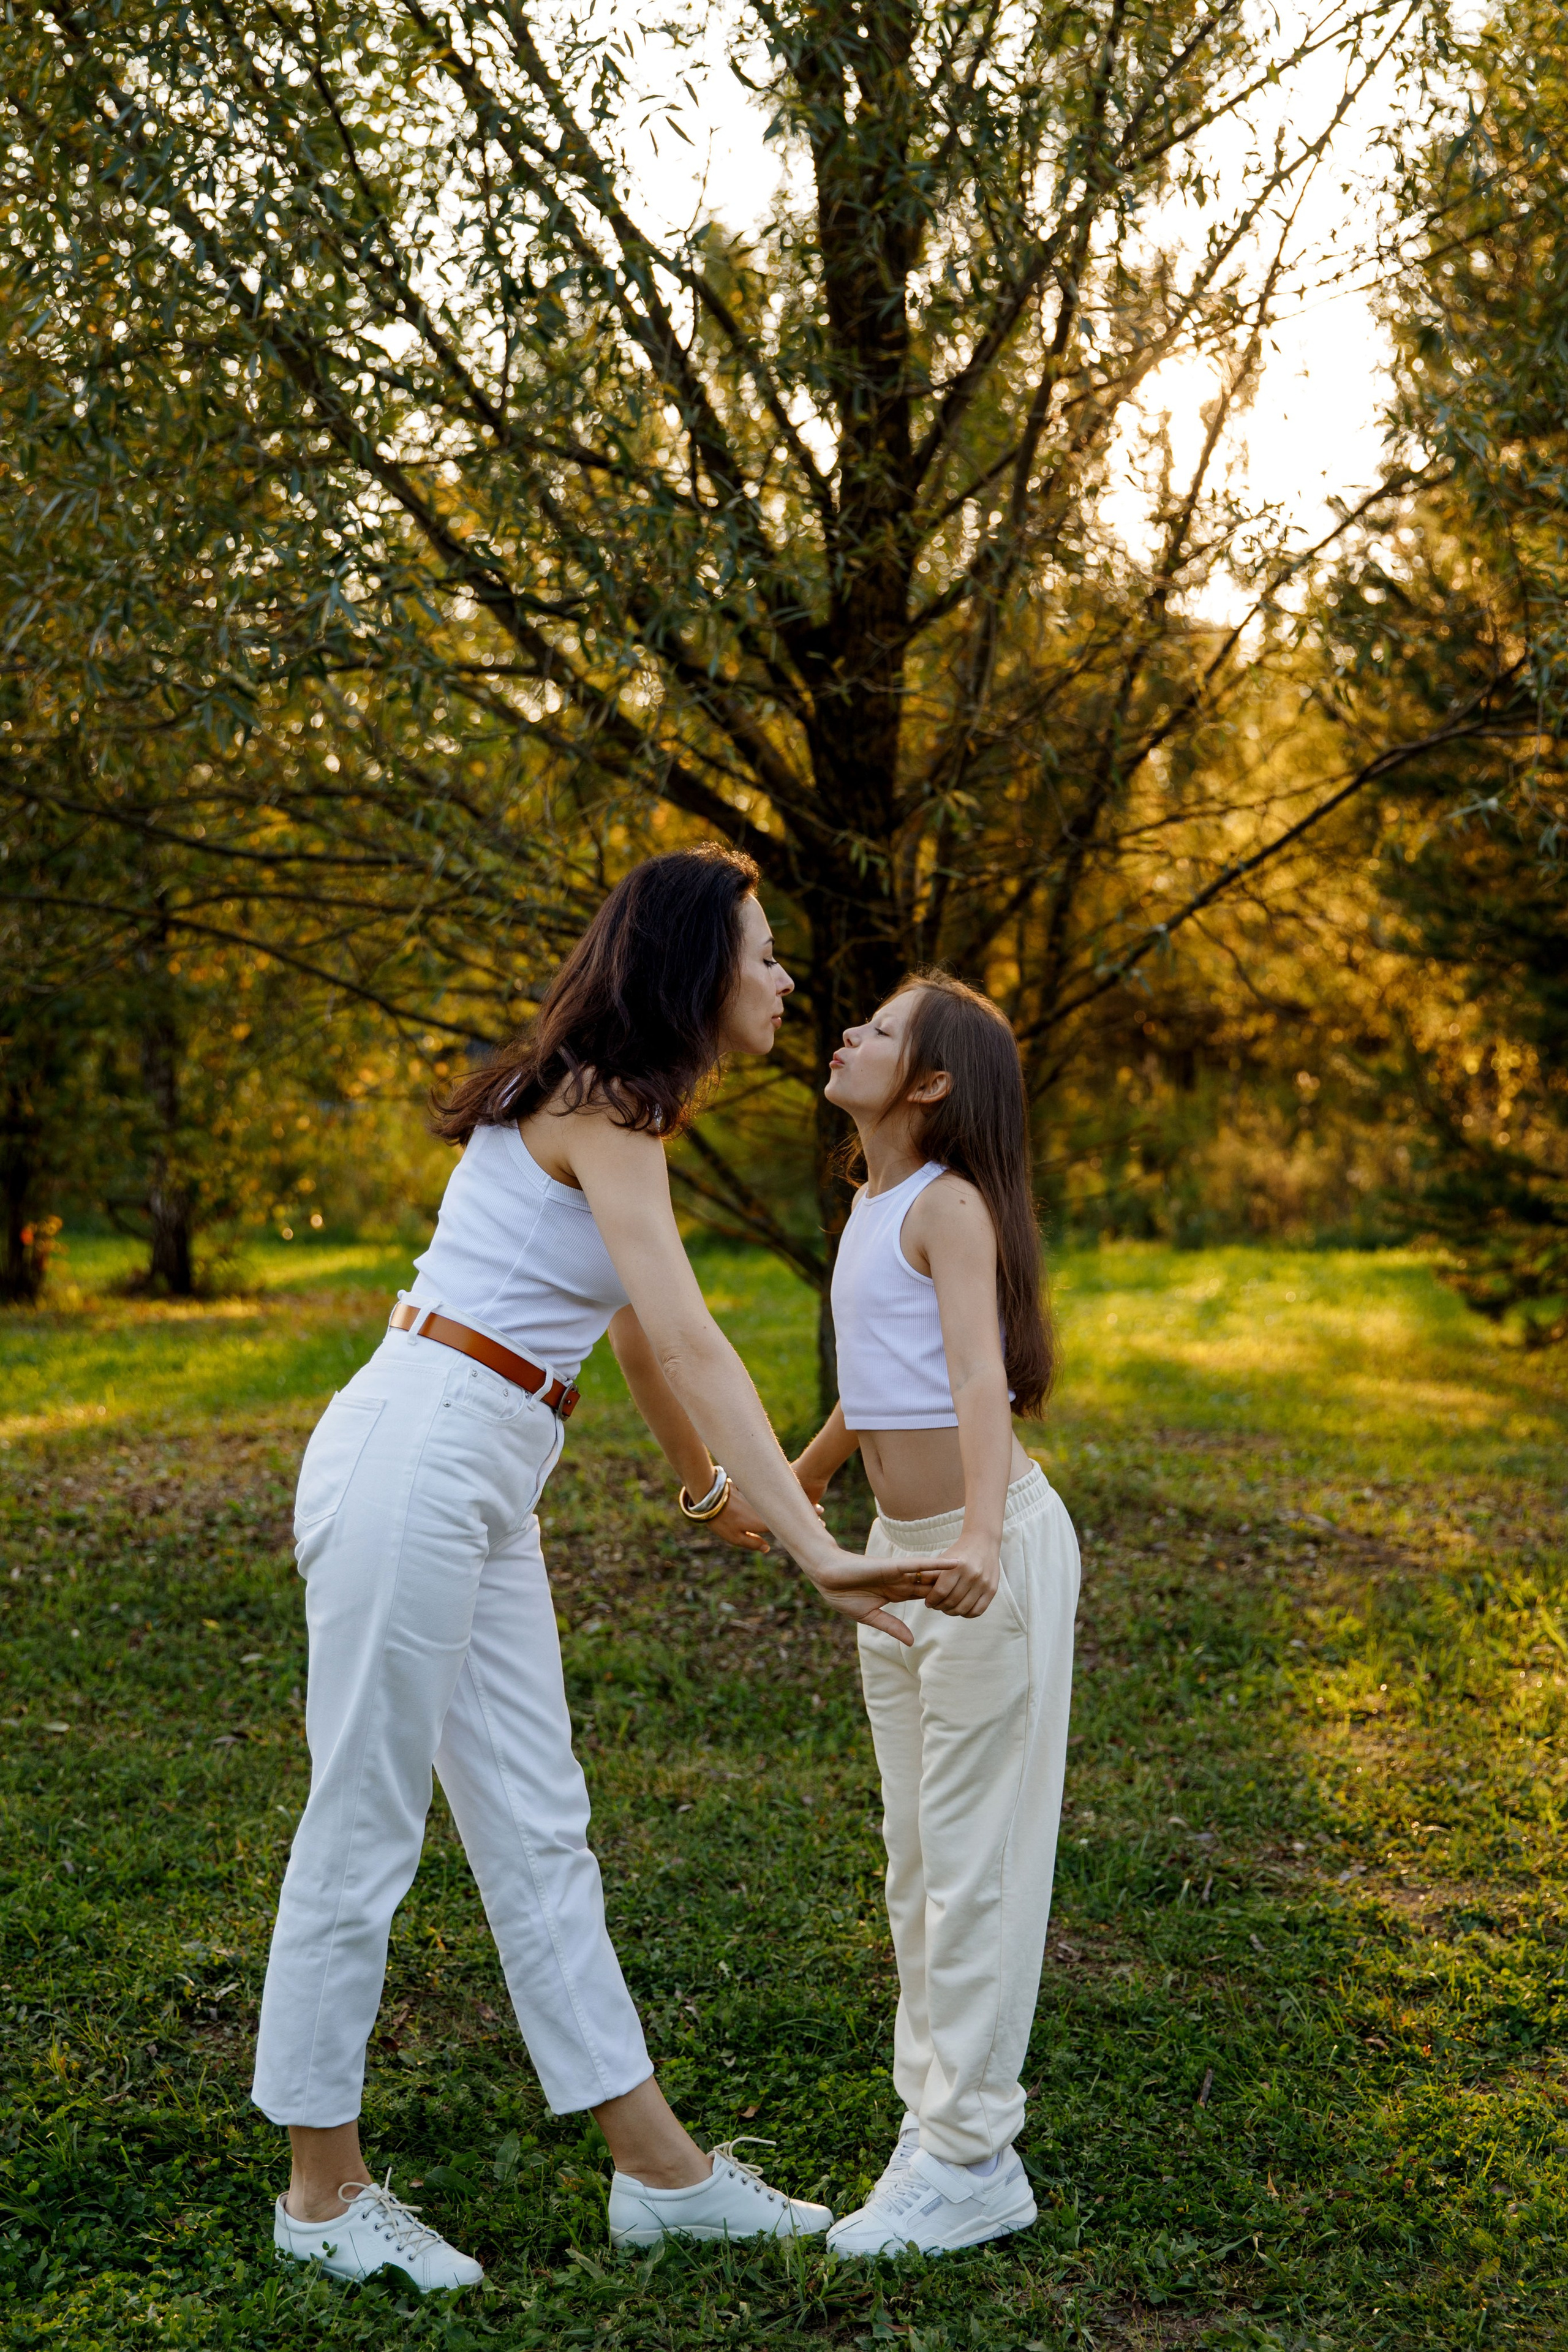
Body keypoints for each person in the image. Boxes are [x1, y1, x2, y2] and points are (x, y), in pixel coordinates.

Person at [251, 846, 946, 2290]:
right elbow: (690, 1336)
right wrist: (816, 1546)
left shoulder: (616, 1114)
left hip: (481, 1462)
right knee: (365, 1819)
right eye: (761, 954)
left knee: (537, 1822)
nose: (782, 980)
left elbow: (631, 1335)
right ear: (696, 968)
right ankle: (321, 2196)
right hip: (421, 1449)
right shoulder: (596, 1106)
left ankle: (661, 2173)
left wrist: (703, 1487)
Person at [790, 972, 1079, 2257]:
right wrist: (803, 1479)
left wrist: (971, 1535)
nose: (846, 1033)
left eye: (880, 1030)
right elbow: (879, 1378)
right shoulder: (870, 1200)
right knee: (916, 1859)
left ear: (931, 1082)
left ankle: (973, 2156)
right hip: (896, 1558)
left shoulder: (949, 1205)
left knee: (974, 1867)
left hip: (982, 1554)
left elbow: (977, 1377)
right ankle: (936, 2122)